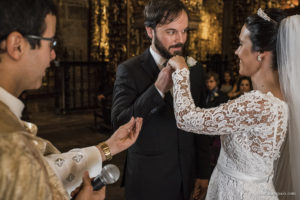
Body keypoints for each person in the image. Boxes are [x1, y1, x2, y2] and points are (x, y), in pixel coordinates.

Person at [0, 0, 143, 199]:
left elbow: (44, 168)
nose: (53, 55)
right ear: (17, 45)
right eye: (50, 43)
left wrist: (108, 148)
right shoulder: (8, 140)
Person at [168, 8, 300, 199]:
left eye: (240, 44)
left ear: (261, 52)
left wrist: (181, 70)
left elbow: (187, 119)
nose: (237, 52)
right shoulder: (276, 99)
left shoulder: (260, 104)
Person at [111, 0, 210, 199]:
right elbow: (120, 121)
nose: (180, 39)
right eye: (171, 32)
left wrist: (203, 173)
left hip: (187, 175)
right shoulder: (129, 70)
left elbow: (201, 125)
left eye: (184, 31)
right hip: (148, 179)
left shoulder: (195, 69)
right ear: (150, 31)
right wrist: (157, 90)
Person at [204, 72, 228, 171]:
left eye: (211, 81)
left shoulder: (222, 96)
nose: (209, 84)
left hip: (216, 133)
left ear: (216, 82)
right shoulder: (205, 94)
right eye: (207, 81)